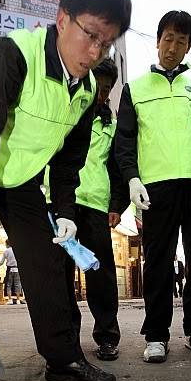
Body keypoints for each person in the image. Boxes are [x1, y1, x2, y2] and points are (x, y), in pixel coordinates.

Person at [0, 0, 132, 381]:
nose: (96, 51)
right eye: (91, 35)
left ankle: (63, 359)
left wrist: (64, 213)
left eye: (107, 43)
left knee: (46, 265)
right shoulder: (12, 56)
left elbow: (67, 163)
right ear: (62, 18)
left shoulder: (86, 92)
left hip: (21, 180)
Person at [115, 10, 191, 363]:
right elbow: (125, 139)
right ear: (157, 40)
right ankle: (157, 335)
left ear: (188, 47)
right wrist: (131, 178)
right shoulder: (136, 89)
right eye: (167, 39)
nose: (172, 47)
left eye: (181, 41)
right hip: (156, 186)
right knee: (157, 261)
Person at [45, 57, 129, 360]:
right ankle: (68, 337)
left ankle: (107, 336)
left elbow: (119, 169)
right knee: (61, 274)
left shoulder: (113, 125)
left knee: (101, 274)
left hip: (95, 205)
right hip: (61, 204)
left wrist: (117, 205)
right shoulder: (63, 114)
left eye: (107, 88)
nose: (101, 93)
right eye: (98, 85)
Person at [0, 240, 24, 305]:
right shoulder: (17, 250)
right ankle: (18, 300)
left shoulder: (6, 251)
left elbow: (1, 262)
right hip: (17, 269)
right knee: (17, 284)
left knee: (9, 285)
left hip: (9, 269)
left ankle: (10, 300)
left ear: (7, 244)